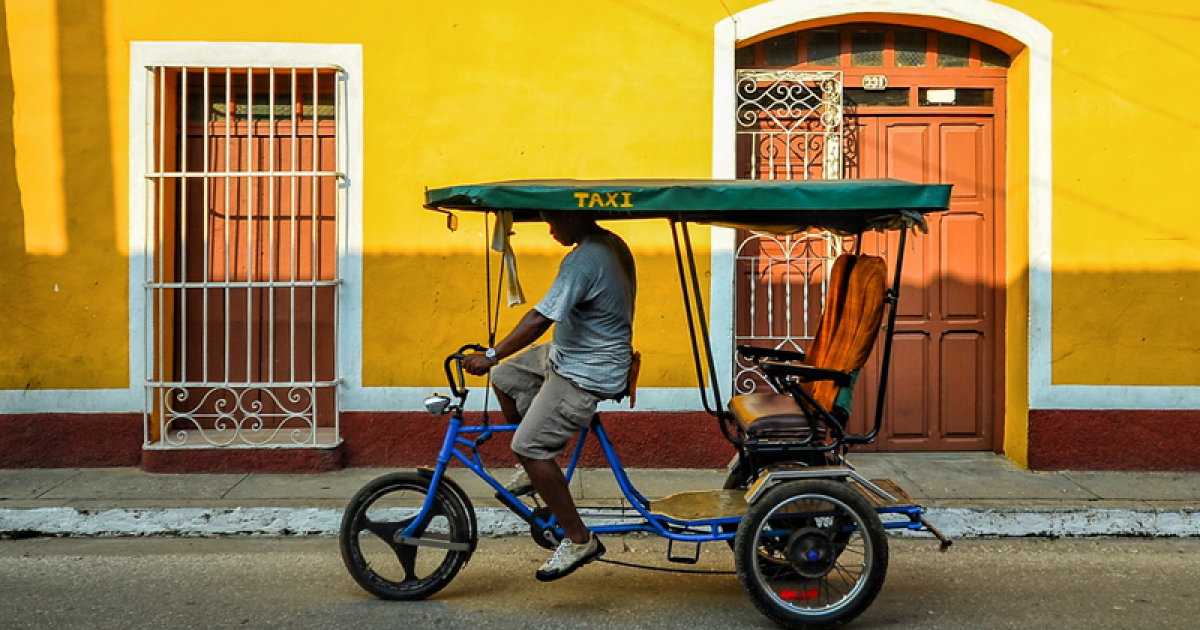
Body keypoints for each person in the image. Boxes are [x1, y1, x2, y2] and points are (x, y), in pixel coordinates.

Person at [462, 209, 636, 582]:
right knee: (506, 377)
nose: (550, 229)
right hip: (567, 354)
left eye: (553, 221)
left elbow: (541, 318)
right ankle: (538, 466)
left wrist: (490, 355)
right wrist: (499, 363)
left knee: (527, 445)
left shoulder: (585, 259)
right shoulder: (608, 244)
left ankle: (578, 538)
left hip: (587, 369)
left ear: (575, 218)